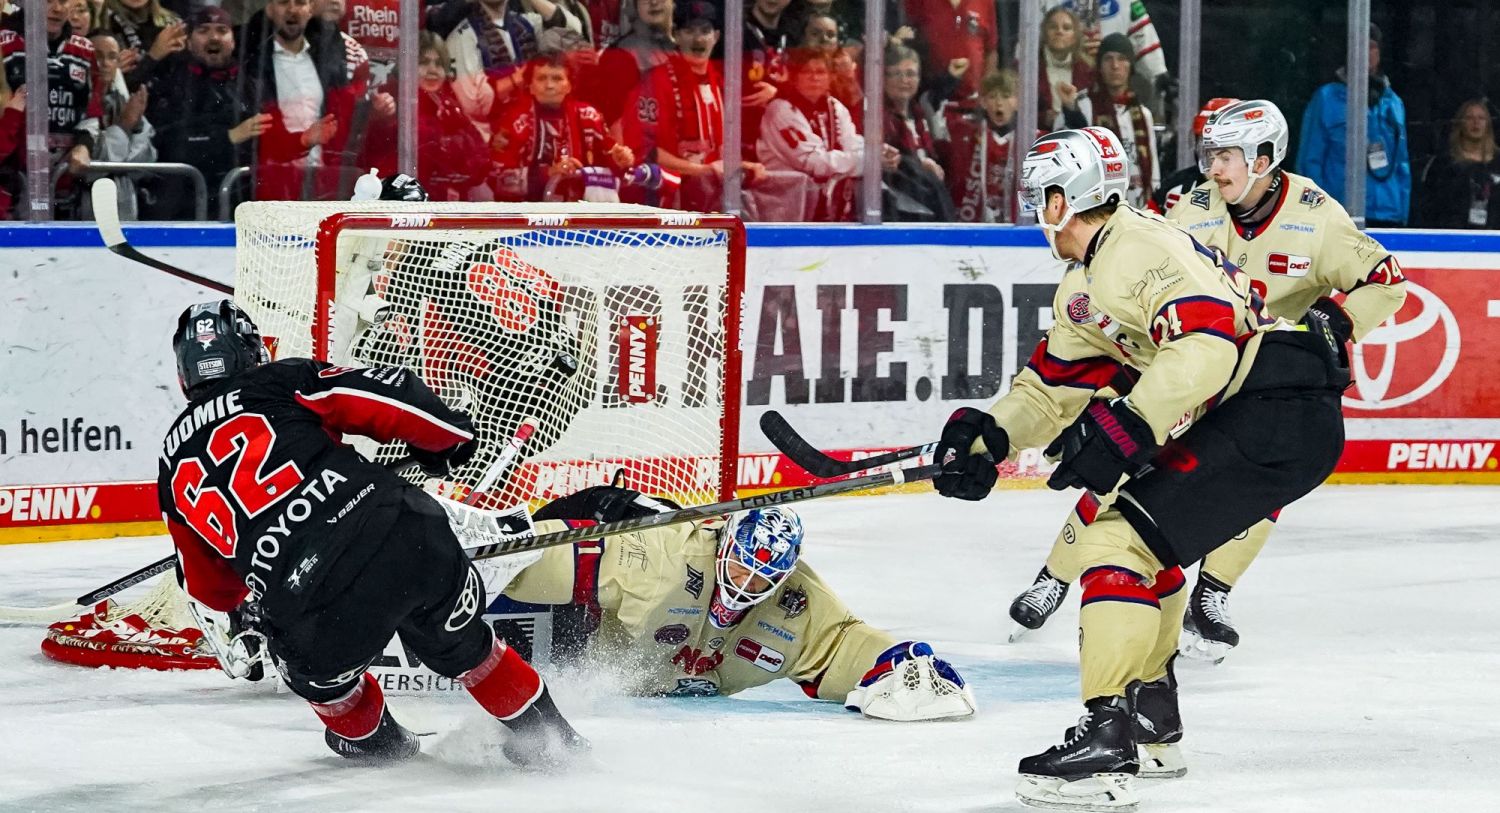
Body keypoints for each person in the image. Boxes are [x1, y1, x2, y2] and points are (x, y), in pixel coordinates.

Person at [934, 126, 1349, 810]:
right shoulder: (1091, 274)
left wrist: (1127, 423)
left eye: (1041, 194)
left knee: (1113, 542)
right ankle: (1152, 719)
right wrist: (989, 437)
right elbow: (1050, 389)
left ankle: (1107, 737)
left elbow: (1209, 345)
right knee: (1144, 547)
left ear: (1067, 197)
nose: (1034, 206)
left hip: (1277, 407)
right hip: (1262, 412)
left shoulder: (1140, 247)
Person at [1004, 102, 1407, 667]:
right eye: (1209, 155)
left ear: (1265, 159)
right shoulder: (1189, 207)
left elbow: (1388, 283)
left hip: (1261, 379)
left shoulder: (1316, 216)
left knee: (1259, 485)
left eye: (1227, 156)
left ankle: (1212, 593)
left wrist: (1339, 322)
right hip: (1189, 368)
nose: (1213, 169)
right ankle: (1055, 574)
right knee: (1123, 459)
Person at [158, 299, 588, 765]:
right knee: (468, 649)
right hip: (402, 531)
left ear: (185, 373)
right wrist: (450, 440)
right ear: (250, 349)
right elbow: (389, 394)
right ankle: (560, 750)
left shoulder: (170, 462)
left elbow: (211, 589)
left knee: (325, 685)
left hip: (309, 599)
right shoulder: (277, 381)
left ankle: (388, 751)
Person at [501, 485, 976, 721]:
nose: (747, 583)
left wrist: (897, 661)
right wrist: (475, 554)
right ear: (723, 544)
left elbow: (842, 644)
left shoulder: (796, 600)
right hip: (580, 649)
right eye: (740, 566)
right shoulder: (662, 555)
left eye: (763, 576)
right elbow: (547, 553)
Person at [622, 0, 767, 211]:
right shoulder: (655, 82)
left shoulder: (724, 81)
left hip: (714, 191)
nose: (698, 38)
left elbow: (719, 156)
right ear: (676, 36)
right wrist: (701, 171)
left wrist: (741, 167)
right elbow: (644, 151)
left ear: (716, 37)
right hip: (668, 197)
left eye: (705, 31)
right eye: (689, 31)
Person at [145, 6, 266, 219]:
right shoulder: (172, 83)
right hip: (184, 206)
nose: (214, 37)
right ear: (189, 42)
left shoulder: (251, 86)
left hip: (241, 205)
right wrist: (228, 137)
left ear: (233, 41)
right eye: (203, 30)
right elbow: (167, 143)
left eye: (221, 30)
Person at [1297, 23, 1409, 227]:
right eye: (1360, 45)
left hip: (1387, 213)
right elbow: (1309, 161)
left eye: (1373, 46)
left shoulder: (1393, 102)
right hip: (1339, 213)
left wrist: (1402, 212)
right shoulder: (1326, 98)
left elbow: (1402, 164)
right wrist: (1316, 213)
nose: (1367, 52)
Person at [491, 53, 634, 202]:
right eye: (541, 78)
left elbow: (617, 165)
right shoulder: (514, 121)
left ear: (570, 85)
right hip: (531, 215)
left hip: (581, 214)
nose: (549, 85)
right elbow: (497, 179)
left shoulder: (589, 117)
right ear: (530, 86)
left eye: (557, 78)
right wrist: (548, 174)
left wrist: (620, 161)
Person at [447, 0, 583, 142]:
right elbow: (473, 104)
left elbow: (573, 30)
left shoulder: (527, 22)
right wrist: (516, 79)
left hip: (537, 130)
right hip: (493, 140)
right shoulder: (462, 37)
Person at [756, 48, 863, 222]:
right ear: (794, 76)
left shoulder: (835, 106)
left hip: (825, 205)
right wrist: (860, 161)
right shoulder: (780, 110)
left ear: (830, 77)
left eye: (820, 72)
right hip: (783, 209)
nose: (814, 78)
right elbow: (814, 163)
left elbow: (854, 144)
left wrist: (868, 156)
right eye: (806, 72)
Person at [81, 31, 156, 220]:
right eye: (96, 56)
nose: (104, 63)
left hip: (125, 212)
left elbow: (146, 161)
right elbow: (95, 161)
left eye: (112, 57)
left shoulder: (124, 100)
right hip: (83, 213)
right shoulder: (78, 100)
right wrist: (124, 126)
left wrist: (136, 125)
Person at [1082, 33, 1158, 209]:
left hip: (1138, 207)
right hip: (1097, 206)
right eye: (1108, 59)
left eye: (1122, 59)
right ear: (1099, 65)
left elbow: (1154, 172)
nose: (1115, 66)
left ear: (1131, 66)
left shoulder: (1143, 114)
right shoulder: (1085, 106)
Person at [881, 45, 952, 222]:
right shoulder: (878, 118)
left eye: (910, 74)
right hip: (899, 213)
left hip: (928, 205)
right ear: (882, 79)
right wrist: (919, 164)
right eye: (896, 73)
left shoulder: (920, 114)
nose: (904, 80)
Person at [1417, 99, 1500, 229]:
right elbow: (1430, 207)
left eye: (1481, 118)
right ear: (1460, 123)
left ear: (1488, 124)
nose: (1476, 122)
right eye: (1469, 117)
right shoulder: (1443, 163)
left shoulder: (1497, 162)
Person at [1150, 96, 1237, 214]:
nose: (1213, 159)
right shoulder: (1174, 188)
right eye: (1206, 148)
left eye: (1223, 150)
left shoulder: (1257, 192)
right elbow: (1146, 228)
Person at [1037, 6, 1092, 132]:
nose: (1059, 31)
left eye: (1066, 28)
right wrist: (1043, 118)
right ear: (1045, 33)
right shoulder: (1028, 68)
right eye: (1053, 27)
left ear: (1075, 36)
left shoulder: (1088, 71)